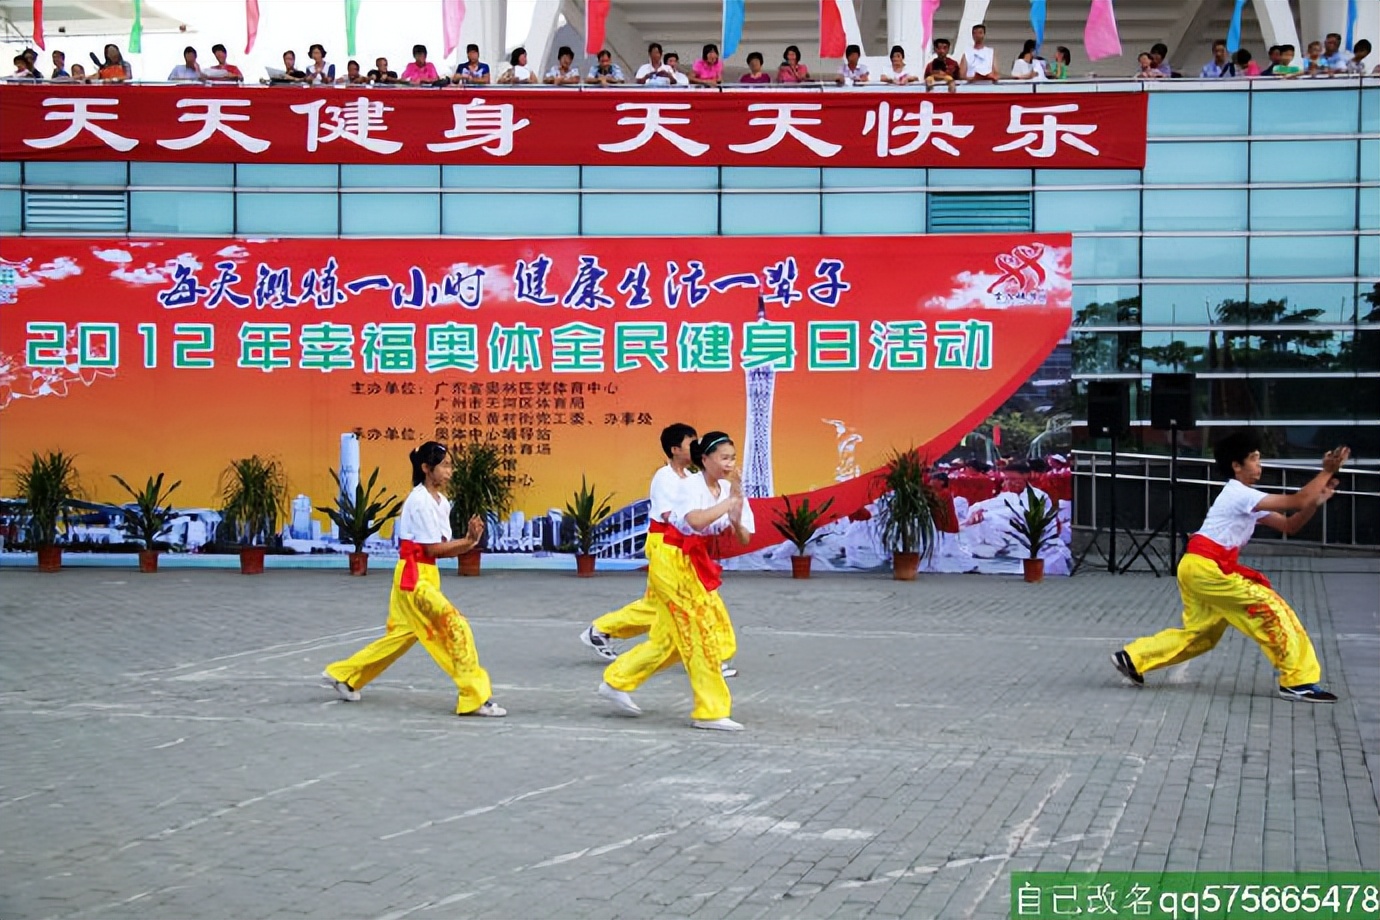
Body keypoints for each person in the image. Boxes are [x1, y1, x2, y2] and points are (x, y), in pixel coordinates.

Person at [1112, 434, 1348, 704]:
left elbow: (1289, 525)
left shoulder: (1245, 498)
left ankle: (1133, 658)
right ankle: (1299, 681)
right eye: (1254, 459)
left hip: (1197, 567)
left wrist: (1315, 503)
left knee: (1202, 634)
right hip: (1208, 568)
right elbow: (1296, 500)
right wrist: (1326, 472)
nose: (1259, 466)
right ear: (1237, 466)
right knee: (1273, 610)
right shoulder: (1239, 493)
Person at [321, 442, 506, 718]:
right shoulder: (419, 501)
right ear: (426, 468)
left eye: (450, 465)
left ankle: (344, 675)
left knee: (400, 637)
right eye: (444, 465)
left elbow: (439, 549)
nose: (449, 471)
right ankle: (475, 696)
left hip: (423, 575)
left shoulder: (441, 502)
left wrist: (468, 542)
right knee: (457, 628)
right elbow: (431, 549)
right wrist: (468, 541)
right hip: (414, 578)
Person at [597, 431, 752, 732]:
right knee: (699, 632)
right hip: (671, 558)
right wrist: (729, 503)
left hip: (695, 563)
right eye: (724, 457)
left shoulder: (731, 490)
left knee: (672, 639)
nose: (730, 463)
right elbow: (694, 521)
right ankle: (710, 711)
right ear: (704, 459)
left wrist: (735, 515)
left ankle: (617, 680)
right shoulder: (688, 485)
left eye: (732, 457)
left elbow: (744, 536)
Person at [581, 423, 698, 661]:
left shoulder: (693, 477)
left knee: (660, 605)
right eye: (691, 443)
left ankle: (602, 629)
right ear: (675, 449)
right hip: (664, 542)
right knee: (682, 601)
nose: (696, 447)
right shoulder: (664, 477)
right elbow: (669, 515)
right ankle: (702, 654)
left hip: (683, 545)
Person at [960, 460, 1071, 574]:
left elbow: (1020, 513)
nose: (1009, 483)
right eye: (1007, 479)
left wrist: (985, 516)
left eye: (1014, 479)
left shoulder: (1037, 495)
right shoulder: (1010, 495)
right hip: (1029, 553)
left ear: (1026, 477)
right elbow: (992, 503)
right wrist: (978, 510)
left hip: (1047, 552)